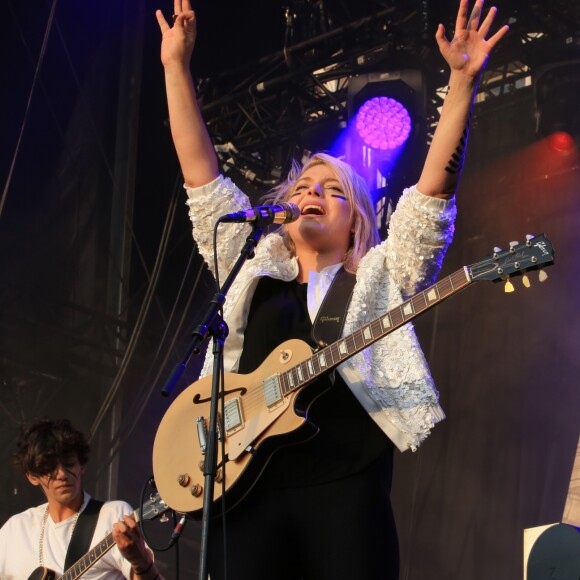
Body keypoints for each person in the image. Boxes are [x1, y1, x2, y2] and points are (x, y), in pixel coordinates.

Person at [155, 1, 508, 578]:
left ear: (357, 223)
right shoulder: (251, 265)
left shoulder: (377, 276)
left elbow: (430, 199)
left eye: (334, 190)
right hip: (246, 487)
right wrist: (175, 66)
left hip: (345, 485)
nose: (313, 191)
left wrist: (463, 84)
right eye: (304, 184)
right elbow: (201, 175)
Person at [0, 418, 162, 580]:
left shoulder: (112, 516)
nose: (62, 475)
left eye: (69, 464)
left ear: (82, 466)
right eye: (49, 467)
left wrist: (140, 562)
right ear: (32, 477)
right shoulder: (15, 529)